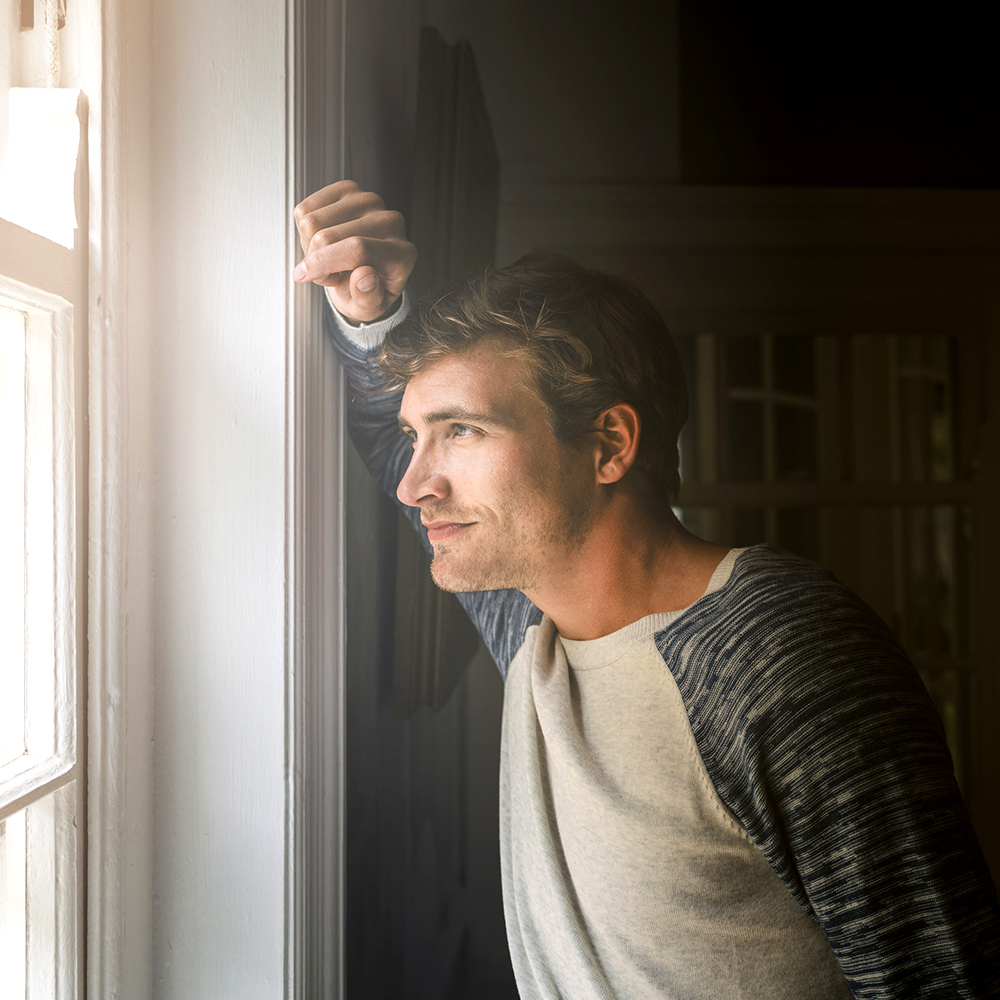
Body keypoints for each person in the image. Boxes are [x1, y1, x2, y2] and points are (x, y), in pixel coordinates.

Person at [293, 180, 1000, 999]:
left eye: (462, 432)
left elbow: (944, 980)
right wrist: (369, 307)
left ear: (608, 445)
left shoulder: (775, 651)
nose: (416, 483)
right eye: (423, 435)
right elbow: (391, 446)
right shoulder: (538, 622)